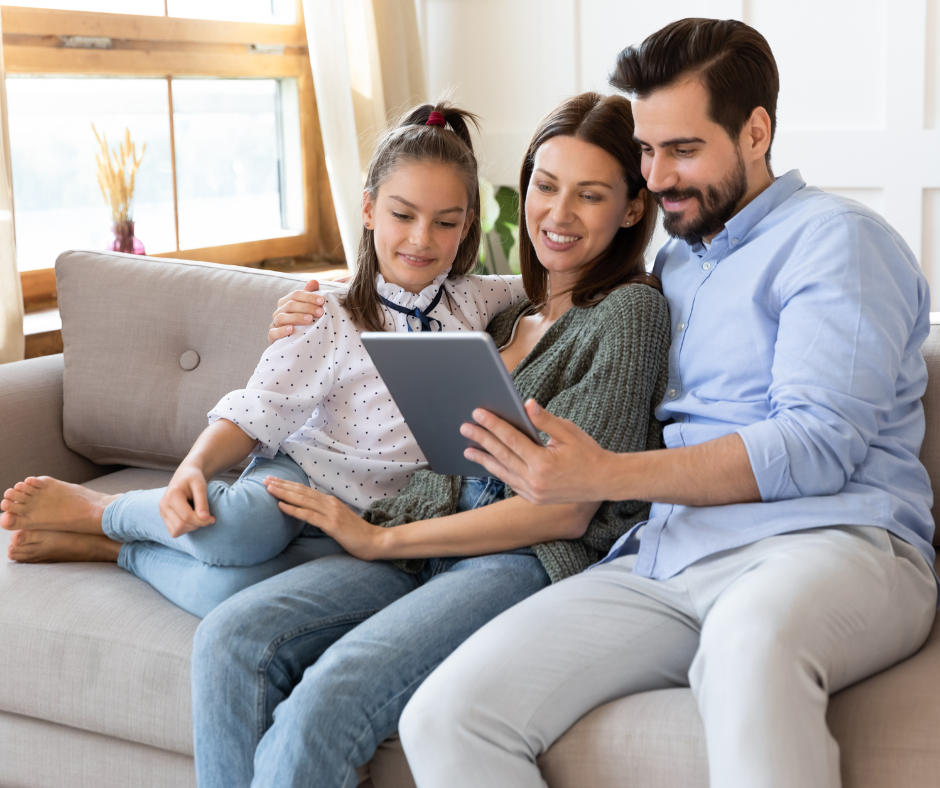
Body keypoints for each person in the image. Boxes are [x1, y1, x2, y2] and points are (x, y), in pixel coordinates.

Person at [394, 18, 938, 788]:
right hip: (669, 555)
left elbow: (816, 445)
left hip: (834, 543)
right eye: (648, 151)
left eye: (683, 150)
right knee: (447, 714)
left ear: (756, 132)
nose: (656, 177)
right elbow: (544, 298)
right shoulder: (678, 259)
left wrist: (606, 474)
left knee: (747, 645)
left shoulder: (836, 241)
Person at [189, 91, 671, 787]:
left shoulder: (629, 313)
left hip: (518, 557)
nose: (558, 215)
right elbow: (399, 281)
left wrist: (379, 540)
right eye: (545, 185)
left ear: (631, 209)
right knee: (230, 638)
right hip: (429, 537)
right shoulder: (507, 314)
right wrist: (313, 298)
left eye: (590, 196)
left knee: (330, 695)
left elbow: (566, 508)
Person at [0, 103, 527, 618]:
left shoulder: (478, 299)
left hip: (367, 517)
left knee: (233, 595)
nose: (420, 238)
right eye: (402, 214)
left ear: (467, 227)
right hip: (299, 476)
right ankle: (100, 511)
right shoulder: (325, 309)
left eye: (444, 222)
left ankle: (118, 552)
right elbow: (257, 408)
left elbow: (560, 286)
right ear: (368, 210)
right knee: (233, 533)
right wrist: (194, 467)